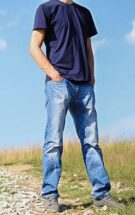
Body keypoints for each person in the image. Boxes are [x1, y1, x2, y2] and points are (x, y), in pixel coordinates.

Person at [29, 0, 124, 212]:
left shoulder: (84, 12)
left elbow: (88, 48)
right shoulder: (46, 9)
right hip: (59, 84)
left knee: (92, 142)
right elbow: (33, 47)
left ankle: (101, 194)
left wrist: (91, 76)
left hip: (84, 86)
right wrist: (53, 74)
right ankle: (50, 195)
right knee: (53, 141)